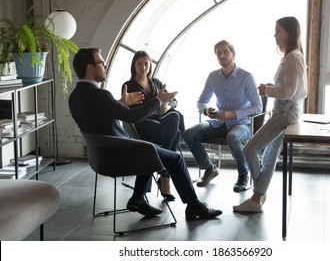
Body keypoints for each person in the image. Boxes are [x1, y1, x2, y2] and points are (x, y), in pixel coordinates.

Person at [69, 47, 222, 220]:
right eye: (101, 62)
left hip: (100, 156)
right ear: (90, 67)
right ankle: (193, 205)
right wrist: (158, 100)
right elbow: (133, 116)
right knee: (174, 158)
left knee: (154, 145)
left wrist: (120, 103)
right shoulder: (100, 95)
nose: (105, 66)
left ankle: (138, 198)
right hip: (118, 153)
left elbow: (99, 115)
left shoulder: (75, 96)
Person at [233, 16, 307, 212]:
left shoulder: (293, 57)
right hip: (286, 111)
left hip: (284, 113)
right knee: (269, 158)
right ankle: (256, 200)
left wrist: (268, 90)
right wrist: (272, 87)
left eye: (278, 31)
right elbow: (291, 88)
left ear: (289, 33)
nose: (275, 34)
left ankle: (257, 189)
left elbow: (289, 91)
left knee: (249, 149)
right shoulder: (292, 56)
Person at [183, 40, 262, 192]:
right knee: (188, 134)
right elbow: (201, 102)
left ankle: (243, 174)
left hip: (242, 124)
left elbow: (258, 107)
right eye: (218, 53)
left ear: (233, 54)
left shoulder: (246, 76)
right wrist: (206, 111)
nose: (222, 55)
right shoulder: (213, 76)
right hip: (218, 122)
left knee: (232, 138)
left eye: (225, 51)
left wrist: (233, 114)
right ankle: (209, 168)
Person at [122, 50, 185, 202]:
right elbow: (133, 111)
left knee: (175, 115)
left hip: (160, 122)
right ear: (134, 65)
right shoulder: (128, 85)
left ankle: (162, 166)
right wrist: (156, 108)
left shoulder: (156, 82)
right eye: (139, 64)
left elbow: (172, 99)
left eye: (146, 63)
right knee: (175, 134)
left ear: (150, 65)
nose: (143, 67)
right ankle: (165, 175)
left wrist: (167, 106)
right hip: (142, 123)